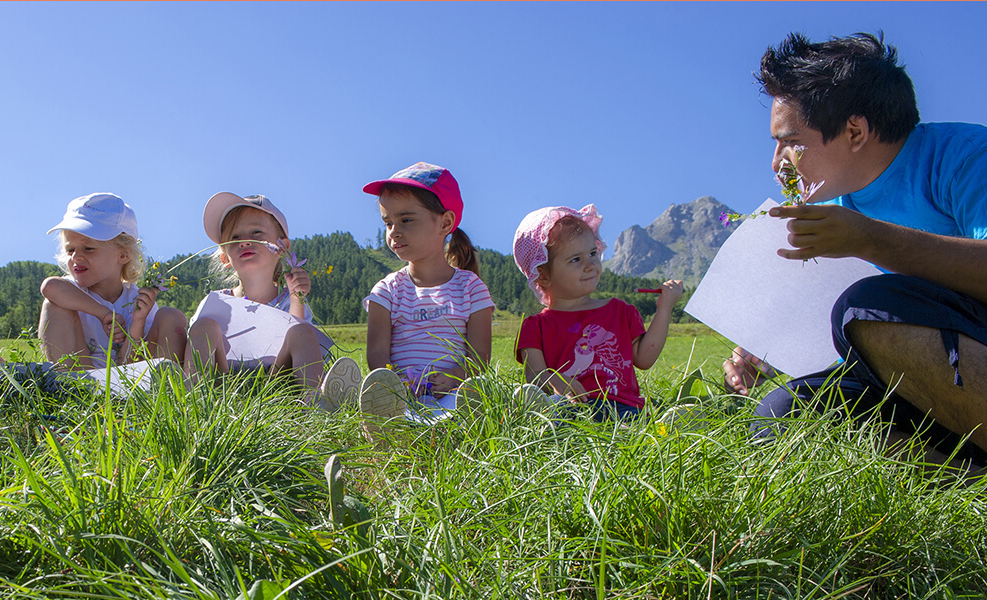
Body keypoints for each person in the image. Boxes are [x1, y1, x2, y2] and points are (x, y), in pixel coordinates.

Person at [724, 32, 987, 463]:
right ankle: (968, 481)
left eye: (791, 141)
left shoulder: (965, 156)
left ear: (855, 131)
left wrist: (869, 238)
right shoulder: (829, 205)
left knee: (865, 305)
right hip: (913, 382)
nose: (777, 162)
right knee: (782, 418)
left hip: (969, 359)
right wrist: (765, 347)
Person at [186, 192, 360, 409]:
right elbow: (194, 343)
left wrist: (297, 299)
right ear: (224, 257)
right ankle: (193, 404)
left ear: (282, 247)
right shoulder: (217, 302)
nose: (245, 242)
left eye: (256, 233)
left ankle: (315, 404)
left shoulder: (289, 299)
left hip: (277, 382)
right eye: (235, 238)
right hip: (224, 386)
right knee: (203, 327)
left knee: (302, 331)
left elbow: (301, 342)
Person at [512, 206, 684, 421]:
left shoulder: (621, 311)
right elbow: (535, 376)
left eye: (593, 253)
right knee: (555, 412)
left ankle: (659, 428)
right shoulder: (535, 325)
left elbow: (645, 358)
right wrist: (554, 379)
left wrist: (665, 308)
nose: (590, 264)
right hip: (569, 406)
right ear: (543, 276)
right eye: (576, 259)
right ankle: (529, 416)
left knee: (628, 422)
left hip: (622, 406)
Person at [358, 162, 494, 421]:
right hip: (402, 395)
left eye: (406, 220)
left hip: (455, 393)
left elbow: (479, 357)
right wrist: (396, 383)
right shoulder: (386, 291)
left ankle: (460, 420)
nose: (394, 232)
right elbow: (377, 354)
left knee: (474, 396)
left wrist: (457, 374)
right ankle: (386, 418)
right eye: (388, 223)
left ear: (445, 222)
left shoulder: (471, 288)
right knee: (388, 403)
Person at [38, 193, 187, 369]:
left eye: (89, 248)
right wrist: (104, 313)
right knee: (54, 304)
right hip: (84, 378)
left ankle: (167, 386)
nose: (76, 257)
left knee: (171, 315)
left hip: (129, 382)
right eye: (70, 250)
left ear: (123, 254)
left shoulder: (136, 298)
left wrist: (137, 323)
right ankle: (70, 383)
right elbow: (50, 286)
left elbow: (129, 363)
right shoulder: (71, 290)